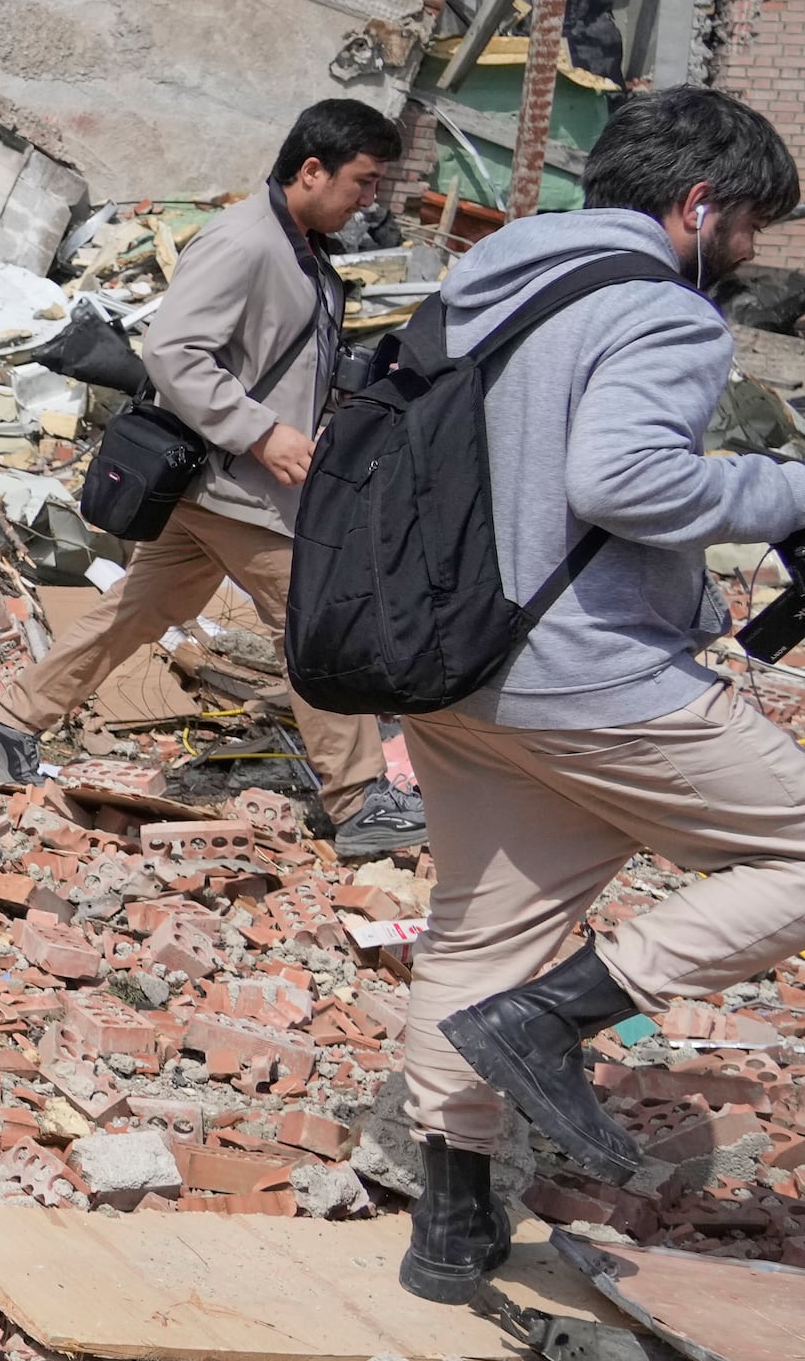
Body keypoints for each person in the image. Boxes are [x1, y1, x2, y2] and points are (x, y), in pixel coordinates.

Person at [390, 87, 805, 1303]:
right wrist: (786, 490)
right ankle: (561, 1015)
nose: (745, 258)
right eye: (747, 231)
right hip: (588, 672)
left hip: (451, 669)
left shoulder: (480, 282)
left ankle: (451, 1231)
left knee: (480, 929)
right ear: (696, 207)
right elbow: (624, 479)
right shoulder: (661, 313)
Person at [0, 98, 423, 858]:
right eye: (363, 182)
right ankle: (361, 798)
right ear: (312, 169)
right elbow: (173, 352)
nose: (369, 199)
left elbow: (270, 349)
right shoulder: (246, 241)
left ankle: (9, 719)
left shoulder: (296, 242)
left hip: (220, 484)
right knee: (317, 626)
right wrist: (261, 431)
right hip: (238, 486)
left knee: (137, 612)